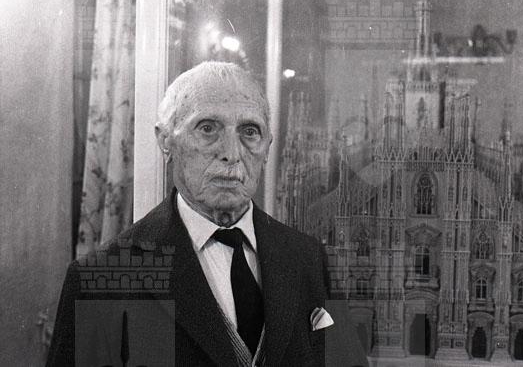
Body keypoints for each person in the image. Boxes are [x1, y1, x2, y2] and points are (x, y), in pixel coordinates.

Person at [47, 62, 349, 367]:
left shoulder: (308, 258)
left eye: (249, 131)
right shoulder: (98, 281)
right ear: (166, 140)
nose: (231, 153)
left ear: (268, 147)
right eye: (207, 128)